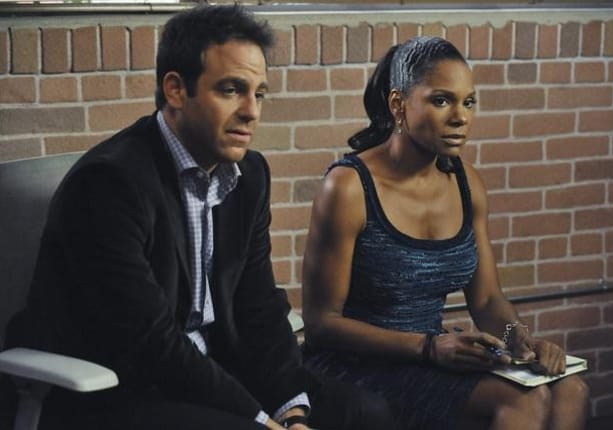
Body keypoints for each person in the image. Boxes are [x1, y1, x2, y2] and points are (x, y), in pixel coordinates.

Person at [6, 5, 394, 430]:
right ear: (176, 90)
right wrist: (264, 422)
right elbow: (149, 343)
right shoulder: (108, 184)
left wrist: (292, 411)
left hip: (211, 369)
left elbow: (259, 308)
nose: (252, 111)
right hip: (119, 390)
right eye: (231, 90)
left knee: (365, 414)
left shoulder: (248, 175)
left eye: (259, 94)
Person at [301, 36, 590, 430]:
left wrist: (520, 340)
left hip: (434, 353)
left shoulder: (467, 183)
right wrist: (428, 347)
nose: (460, 117)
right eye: (441, 101)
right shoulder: (349, 187)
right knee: (523, 401)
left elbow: (487, 299)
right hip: (357, 364)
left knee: (571, 389)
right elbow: (322, 324)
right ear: (398, 105)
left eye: (469, 102)